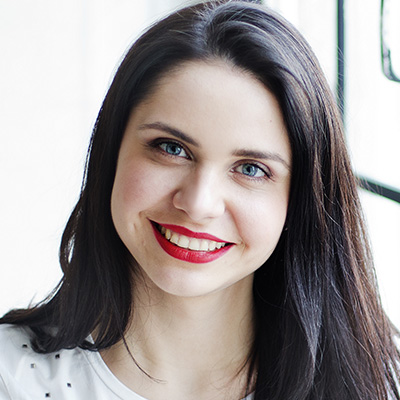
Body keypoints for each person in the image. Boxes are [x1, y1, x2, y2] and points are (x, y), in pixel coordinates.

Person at [0, 1, 399, 399]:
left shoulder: (378, 383)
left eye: (251, 169)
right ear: (112, 150)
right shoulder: (11, 377)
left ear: (300, 200)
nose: (198, 204)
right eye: (171, 148)